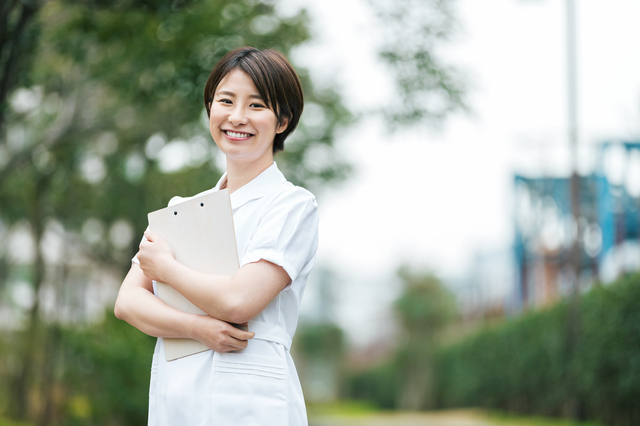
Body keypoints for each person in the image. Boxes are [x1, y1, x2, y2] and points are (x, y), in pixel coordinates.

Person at [114, 46, 318, 426]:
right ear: (210, 108)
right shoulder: (183, 207)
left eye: (257, 106)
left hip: (252, 400)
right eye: (225, 101)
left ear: (283, 120)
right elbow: (127, 302)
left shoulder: (291, 205)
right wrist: (198, 329)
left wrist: (167, 269)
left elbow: (239, 301)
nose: (237, 117)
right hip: (177, 395)